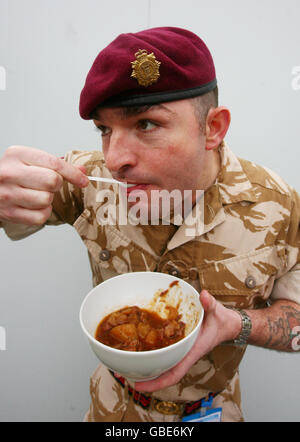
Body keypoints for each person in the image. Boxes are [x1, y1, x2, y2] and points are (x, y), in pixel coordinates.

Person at [0, 26, 300, 422]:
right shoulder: (84, 178)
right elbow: (17, 210)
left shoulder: (278, 206)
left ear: (212, 128)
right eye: (104, 130)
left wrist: (239, 325)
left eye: (145, 124)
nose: (114, 159)